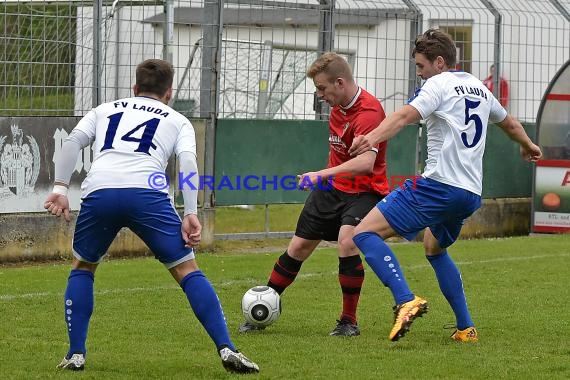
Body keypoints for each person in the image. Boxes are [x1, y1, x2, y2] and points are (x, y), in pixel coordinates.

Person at [44, 59, 259, 374]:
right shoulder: (177, 119)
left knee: (83, 267)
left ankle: (76, 354)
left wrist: (60, 187)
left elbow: (72, 142)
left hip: (101, 190)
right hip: (148, 194)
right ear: (169, 93)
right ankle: (227, 347)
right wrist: (190, 212)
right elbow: (187, 163)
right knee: (187, 270)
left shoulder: (104, 109)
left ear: (135, 88)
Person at [349, 29, 542, 343]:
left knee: (364, 233)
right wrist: (528, 145)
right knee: (434, 248)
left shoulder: (437, 85)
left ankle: (404, 299)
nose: (420, 74)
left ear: (439, 62)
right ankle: (466, 328)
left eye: (421, 67)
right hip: (469, 194)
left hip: (438, 186)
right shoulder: (478, 87)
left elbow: (403, 116)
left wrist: (371, 137)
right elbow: (509, 123)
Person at [239, 52, 389, 336]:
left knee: (348, 242)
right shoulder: (337, 108)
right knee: (297, 248)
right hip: (332, 189)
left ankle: (348, 321)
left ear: (340, 82)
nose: (320, 94)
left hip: (365, 191)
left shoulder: (369, 111)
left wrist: (319, 174)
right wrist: (325, 179)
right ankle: (263, 307)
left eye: (323, 88)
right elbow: (340, 152)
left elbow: (365, 164)